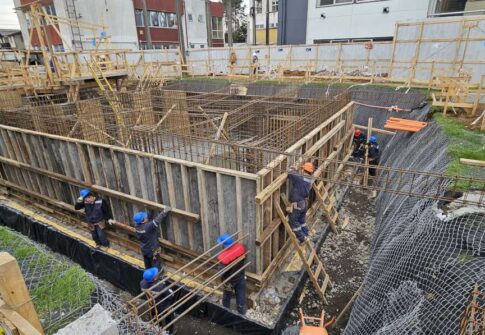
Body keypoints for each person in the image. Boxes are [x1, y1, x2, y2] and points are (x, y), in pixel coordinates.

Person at [217, 233, 247, 315]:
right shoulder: (241, 248)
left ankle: (225, 312)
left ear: (224, 245)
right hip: (240, 276)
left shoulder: (223, 258)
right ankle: (242, 312)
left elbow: (221, 271)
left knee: (226, 297)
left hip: (229, 281)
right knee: (241, 296)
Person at [140, 267, 175, 333]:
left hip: (152, 305)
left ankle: (158, 329)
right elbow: (170, 296)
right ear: (154, 278)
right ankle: (169, 331)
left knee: (156, 318)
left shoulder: (143, 283)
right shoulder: (160, 286)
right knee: (168, 315)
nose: (157, 274)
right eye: (156, 275)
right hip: (163, 305)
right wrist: (170, 291)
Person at [288, 163, 314, 244]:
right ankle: (306, 234)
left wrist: (294, 168)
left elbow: (289, 171)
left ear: (303, 170)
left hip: (298, 204)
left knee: (294, 221)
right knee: (302, 221)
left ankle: (302, 238)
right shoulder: (309, 179)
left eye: (302, 169)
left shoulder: (300, 179)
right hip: (304, 203)